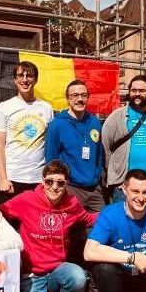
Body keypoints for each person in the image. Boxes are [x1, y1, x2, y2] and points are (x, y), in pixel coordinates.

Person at [0, 161, 96, 292]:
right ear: (42, 181)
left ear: (66, 184)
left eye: (60, 183)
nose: (54, 187)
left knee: (78, 276)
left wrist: (120, 212)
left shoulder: (71, 203)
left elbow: (88, 218)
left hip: (56, 270)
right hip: (32, 275)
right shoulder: (26, 199)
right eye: (50, 181)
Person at [102, 75, 146, 209]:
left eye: (142, 90)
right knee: (126, 226)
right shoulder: (117, 117)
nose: (137, 94)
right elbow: (105, 149)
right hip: (126, 187)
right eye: (133, 90)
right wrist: (117, 179)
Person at [0, 61, 54, 203]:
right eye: (20, 75)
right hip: (12, 178)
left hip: (38, 180)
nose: (24, 80)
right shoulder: (4, 107)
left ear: (36, 79)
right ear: (15, 80)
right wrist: (2, 178)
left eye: (29, 76)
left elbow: (49, 142)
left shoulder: (46, 108)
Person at [45, 79, 105, 212]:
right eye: (75, 95)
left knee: (103, 228)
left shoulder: (94, 122)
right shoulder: (57, 124)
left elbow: (99, 155)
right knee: (74, 231)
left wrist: (97, 179)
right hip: (71, 189)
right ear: (68, 99)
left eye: (83, 95)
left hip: (94, 190)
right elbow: (51, 160)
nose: (80, 99)